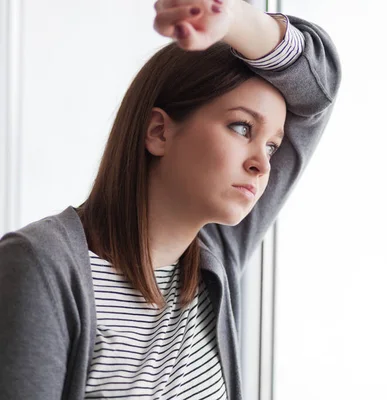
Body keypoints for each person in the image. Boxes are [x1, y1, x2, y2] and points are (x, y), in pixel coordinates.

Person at [0, 0, 341, 399]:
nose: (261, 165)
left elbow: (317, 88)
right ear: (159, 132)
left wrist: (231, 17)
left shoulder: (214, 255)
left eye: (271, 146)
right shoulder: (39, 267)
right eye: (241, 127)